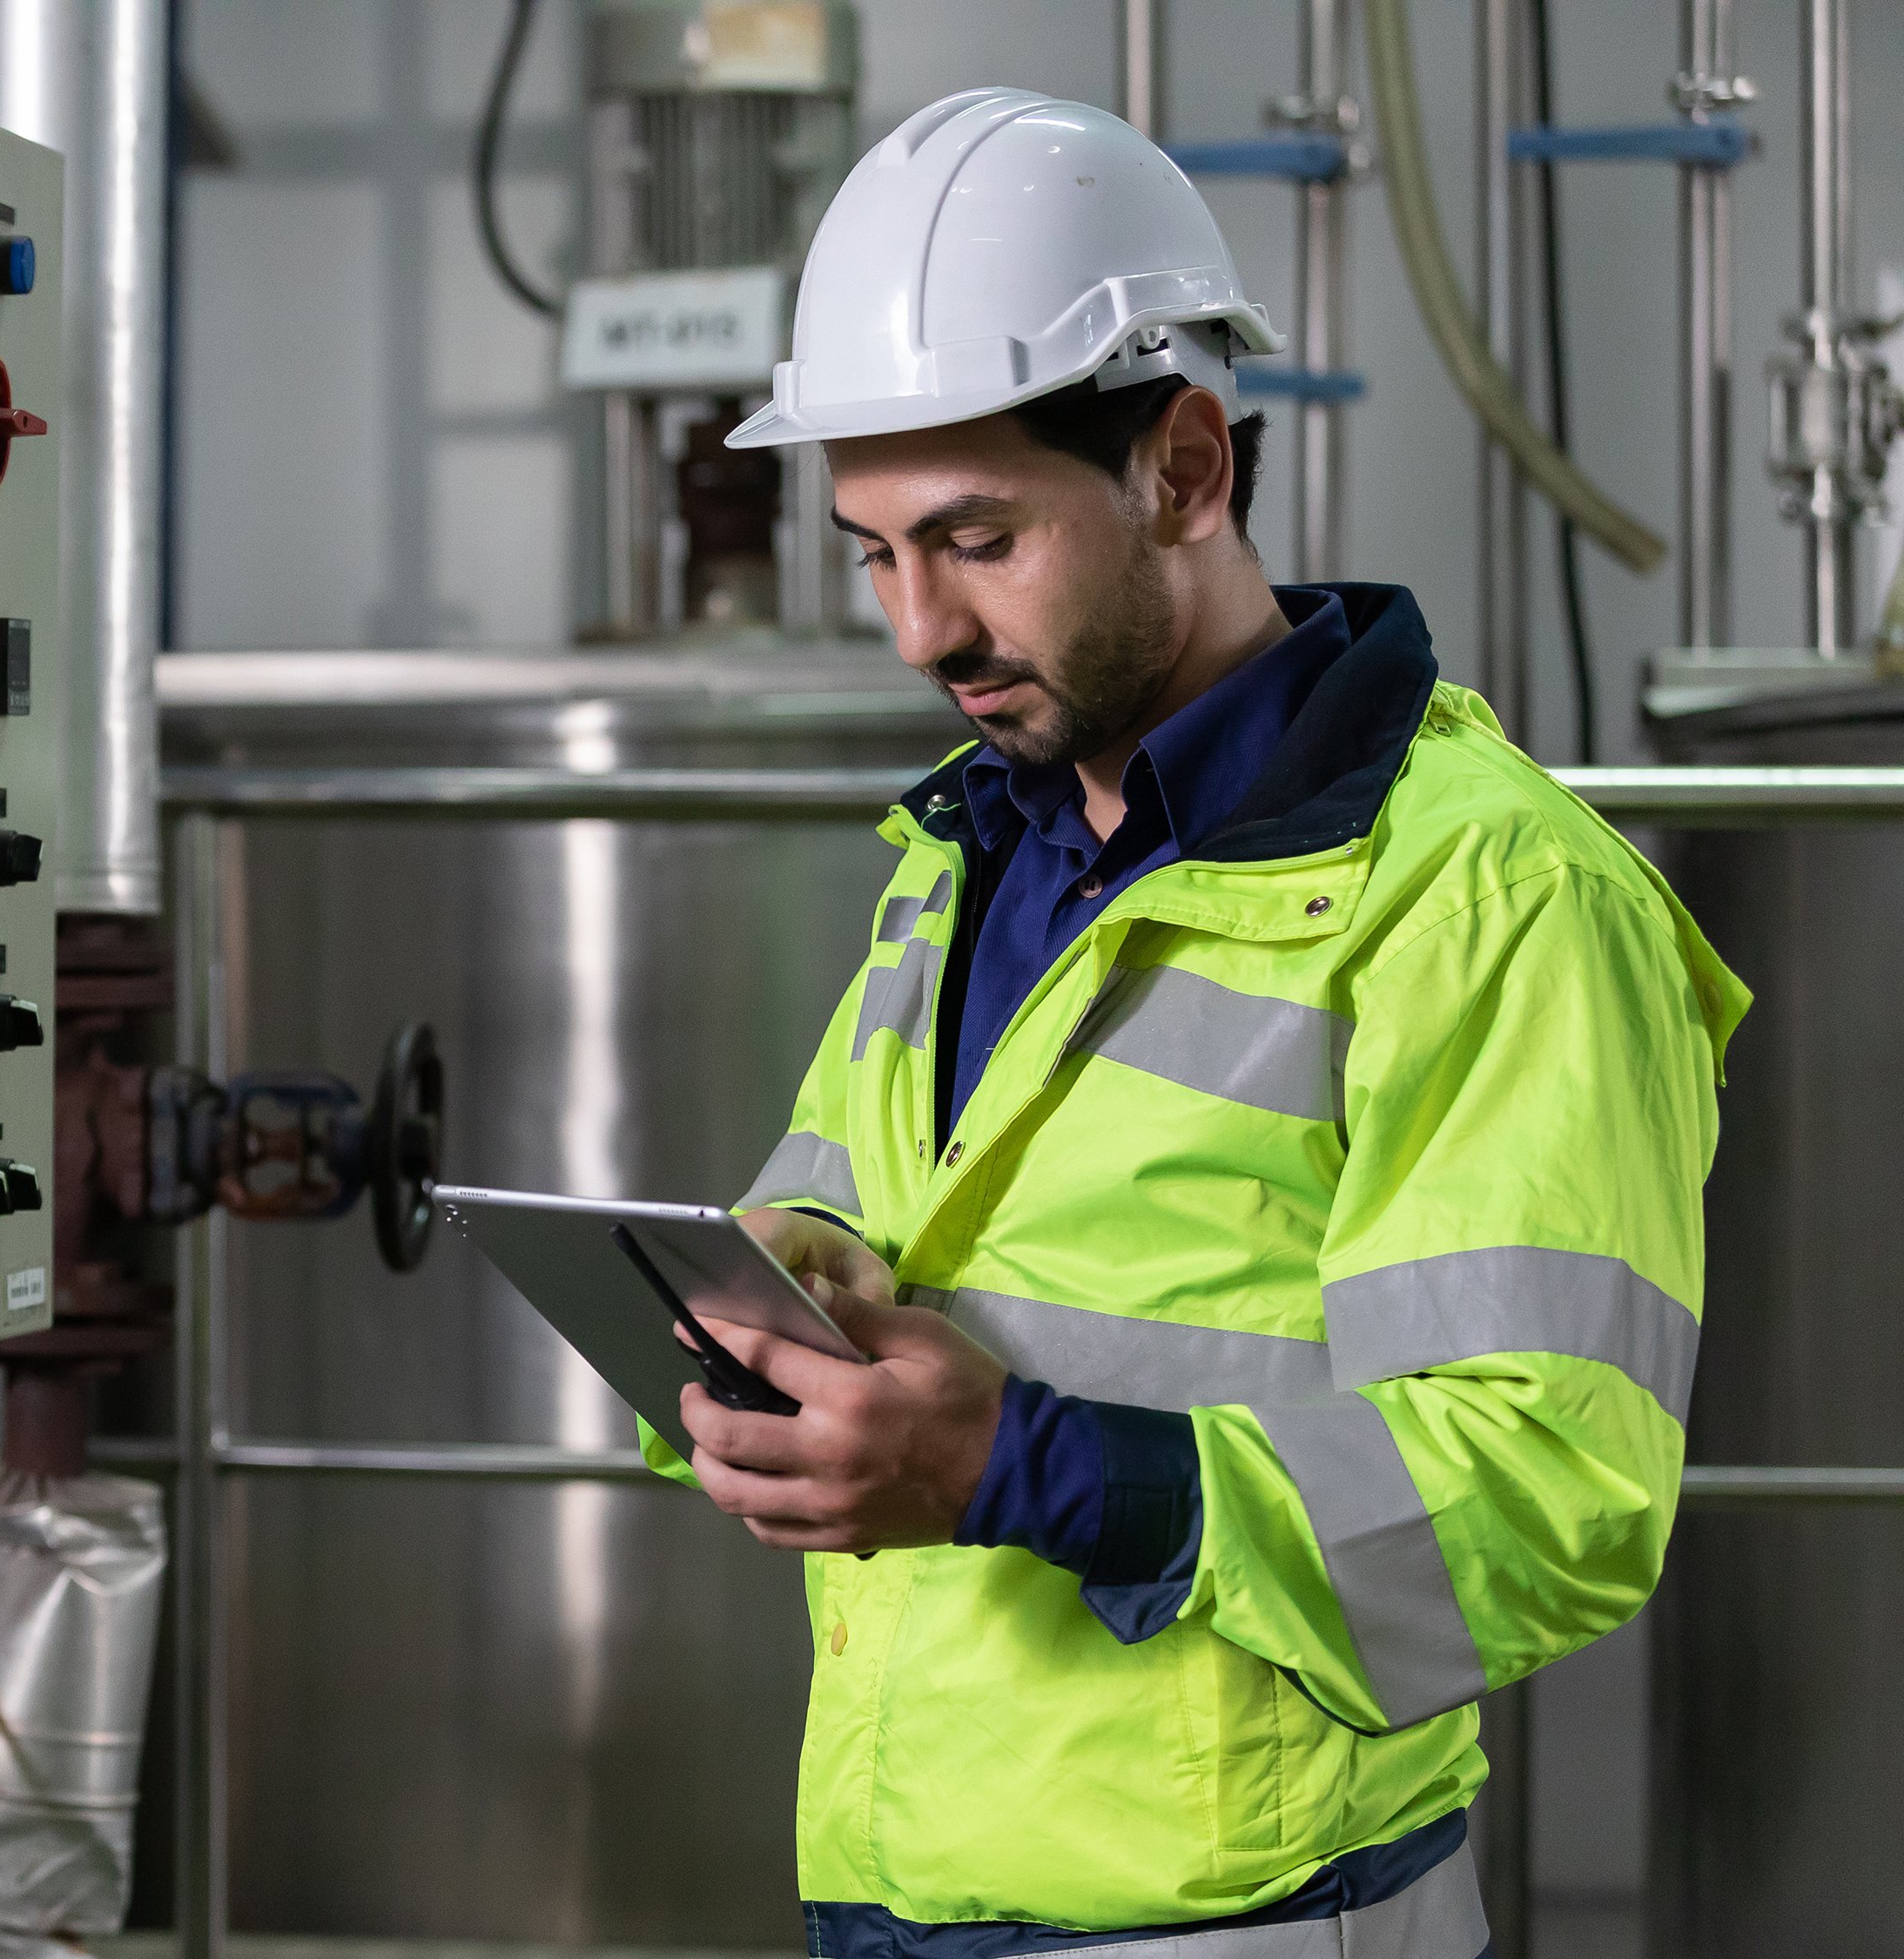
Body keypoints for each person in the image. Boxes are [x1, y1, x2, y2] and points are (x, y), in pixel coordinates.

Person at [656, 88, 1747, 1957]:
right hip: (892, 1880)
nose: (917, 628)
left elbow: (1552, 1492)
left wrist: (1017, 1465)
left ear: (1181, 467)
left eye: (974, 538)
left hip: (1236, 1914)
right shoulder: (963, 846)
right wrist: (778, 1300)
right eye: (871, 552)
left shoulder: (1487, 897)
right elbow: (845, 1207)